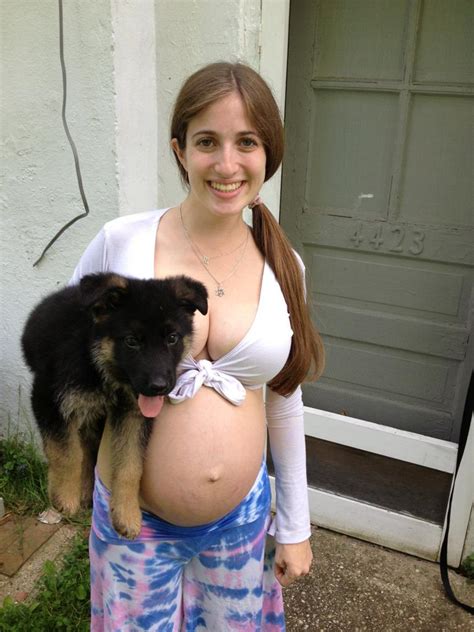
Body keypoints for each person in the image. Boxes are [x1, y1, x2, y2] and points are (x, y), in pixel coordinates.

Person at [70, 61, 324, 631]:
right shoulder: (122, 243)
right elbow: (66, 356)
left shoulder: (286, 268)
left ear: (268, 153)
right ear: (180, 149)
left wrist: (296, 525)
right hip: (137, 526)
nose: (227, 164)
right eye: (208, 141)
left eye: (247, 142)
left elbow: (284, 401)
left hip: (240, 524)